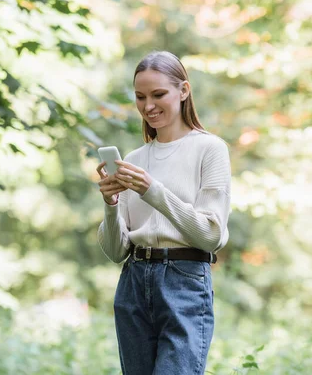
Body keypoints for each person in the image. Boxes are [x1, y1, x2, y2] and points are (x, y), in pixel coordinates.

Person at [96, 50, 231, 375]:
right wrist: (111, 206)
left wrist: (151, 190)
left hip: (184, 280)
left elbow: (211, 236)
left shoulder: (210, 149)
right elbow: (116, 252)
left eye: (158, 94)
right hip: (133, 281)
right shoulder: (135, 159)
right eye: (140, 97)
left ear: (183, 91)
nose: (148, 106)